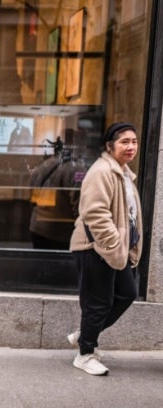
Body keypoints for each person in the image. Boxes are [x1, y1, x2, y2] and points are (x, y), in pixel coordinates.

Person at [67, 122, 142, 376]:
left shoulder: (123, 172)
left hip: (114, 249)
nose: (131, 146)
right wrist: (112, 245)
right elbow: (94, 213)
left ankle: (84, 335)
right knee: (97, 303)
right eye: (124, 142)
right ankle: (85, 354)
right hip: (94, 247)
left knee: (127, 293)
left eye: (134, 141)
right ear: (110, 146)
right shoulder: (102, 171)